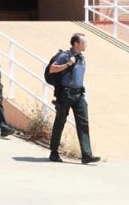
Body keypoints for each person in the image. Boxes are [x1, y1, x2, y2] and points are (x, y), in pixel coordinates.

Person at [48, 33, 101, 164]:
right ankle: (53, 153)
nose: (86, 45)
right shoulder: (65, 56)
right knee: (60, 123)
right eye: (83, 43)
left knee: (83, 123)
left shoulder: (82, 58)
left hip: (79, 95)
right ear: (76, 44)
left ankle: (87, 155)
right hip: (66, 94)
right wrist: (67, 64)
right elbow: (52, 69)